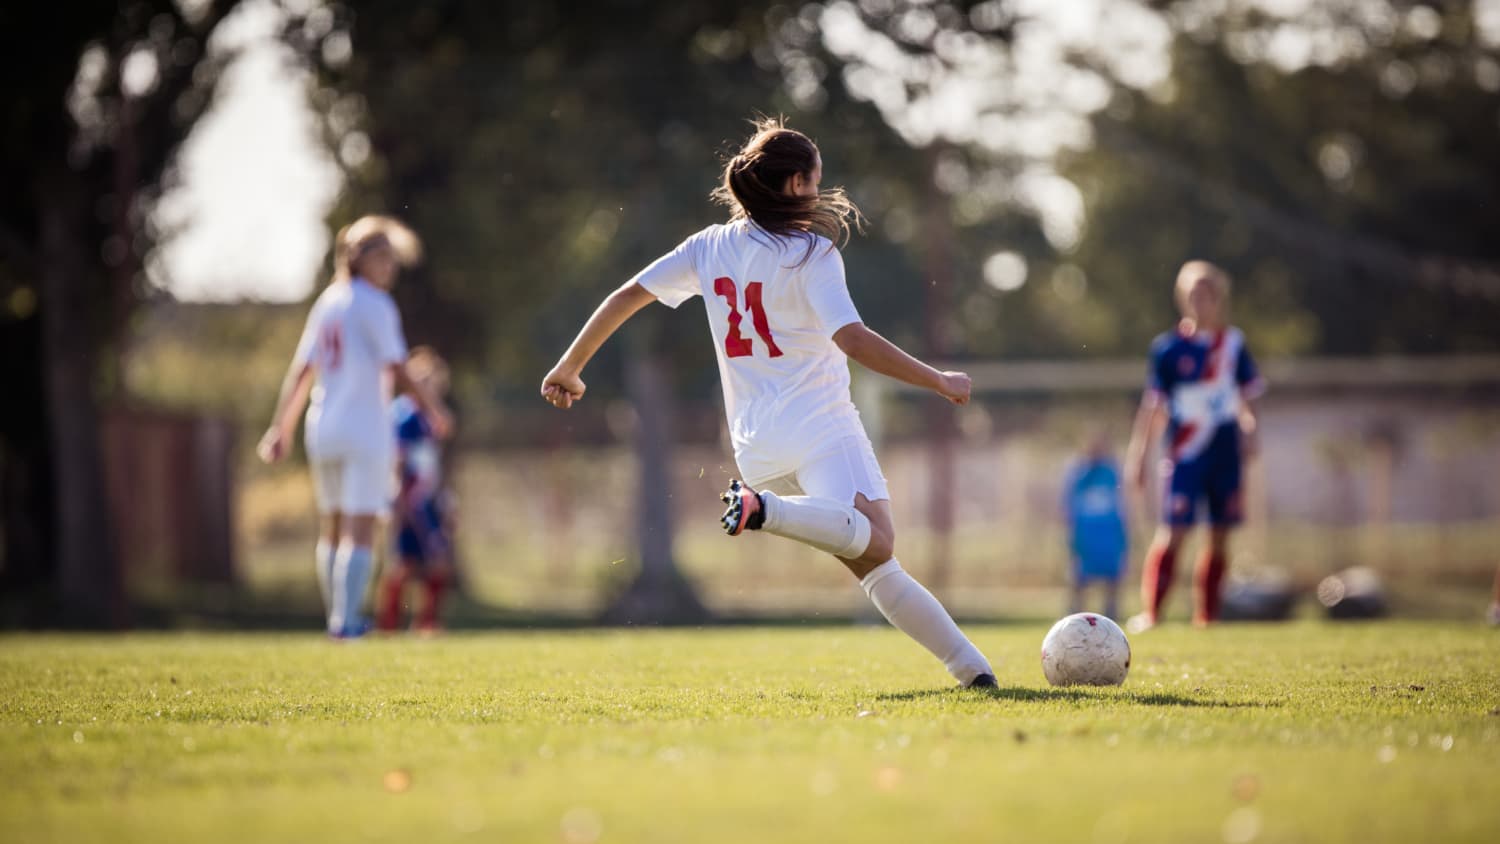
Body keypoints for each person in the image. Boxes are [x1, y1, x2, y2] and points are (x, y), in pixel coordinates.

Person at [539, 117, 996, 688]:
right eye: (815, 179)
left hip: (755, 443)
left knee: (875, 562)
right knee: (877, 539)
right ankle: (766, 511)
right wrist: (938, 379)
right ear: (793, 184)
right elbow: (851, 339)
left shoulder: (707, 246)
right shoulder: (812, 254)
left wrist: (569, 365)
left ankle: (973, 671)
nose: (820, 191)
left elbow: (628, 294)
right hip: (821, 427)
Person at [258, 215, 450, 639]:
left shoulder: (328, 301)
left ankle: (336, 618)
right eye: (381, 256)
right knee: (359, 526)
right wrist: (435, 408)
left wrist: (281, 428)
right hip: (364, 427)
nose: (389, 266)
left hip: (322, 426)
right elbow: (399, 365)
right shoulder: (375, 303)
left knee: (332, 524)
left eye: (392, 258)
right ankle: (346, 624)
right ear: (356, 257)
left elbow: (302, 370)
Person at [1123, 260, 1264, 632]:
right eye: (1194, 294)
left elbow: (1248, 399)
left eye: (1208, 294)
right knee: (1174, 533)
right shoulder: (1168, 349)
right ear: (1183, 299)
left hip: (1224, 453)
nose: (1201, 301)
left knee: (1219, 536)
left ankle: (1207, 617)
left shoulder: (1233, 345)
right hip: (1185, 455)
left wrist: (1251, 430)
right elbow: (1153, 407)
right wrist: (1138, 455)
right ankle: (1152, 614)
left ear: (1218, 299)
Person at [378, 347, 456, 635]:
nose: (428, 386)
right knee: (404, 564)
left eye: (433, 381)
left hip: (428, 498)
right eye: (422, 380)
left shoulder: (428, 416)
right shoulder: (403, 414)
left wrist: (446, 497)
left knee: (434, 562)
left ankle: (425, 623)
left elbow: (444, 435)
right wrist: (397, 499)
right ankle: (389, 624)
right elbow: (398, 459)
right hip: (409, 499)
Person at [1061, 431, 1127, 619]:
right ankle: (1074, 616)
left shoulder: (1111, 472)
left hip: (1108, 534)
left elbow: (1121, 504)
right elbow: (1068, 504)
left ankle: (1112, 615)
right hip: (1085, 534)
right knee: (1079, 578)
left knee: (1112, 578)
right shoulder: (1079, 473)